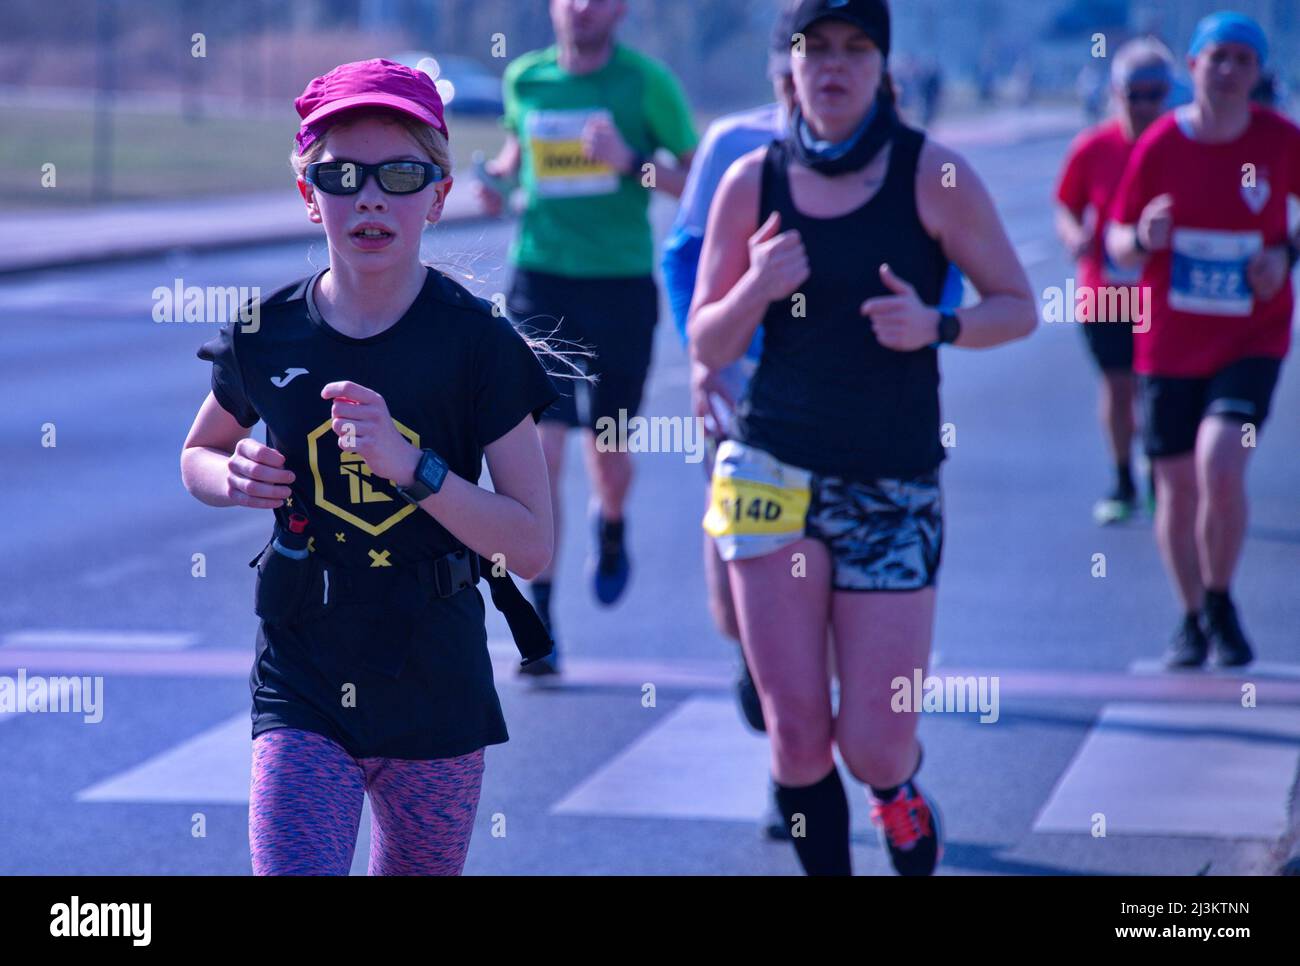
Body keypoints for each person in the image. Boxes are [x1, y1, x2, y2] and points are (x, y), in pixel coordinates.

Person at [181, 58, 560, 874]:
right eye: (342, 176)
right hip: (303, 671)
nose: (371, 197)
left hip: (436, 684)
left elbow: (531, 546)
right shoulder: (266, 331)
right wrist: (233, 477)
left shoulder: (478, 343)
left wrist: (413, 468)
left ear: (440, 193)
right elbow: (198, 454)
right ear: (308, 193)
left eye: (400, 173)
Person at [689, 0, 1036, 876]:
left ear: (884, 67)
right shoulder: (750, 181)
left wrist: (938, 326)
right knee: (797, 735)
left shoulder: (933, 175)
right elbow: (706, 342)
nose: (834, 68)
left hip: (891, 482)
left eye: (856, 49)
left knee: (874, 745)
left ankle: (898, 792)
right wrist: (758, 288)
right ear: (789, 70)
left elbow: (1018, 306)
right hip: (772, 470)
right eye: (817, 50)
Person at [476, 0, 698, 676]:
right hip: (540, 280)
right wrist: (498, 179)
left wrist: (633, 161)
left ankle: (611, 524)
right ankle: (542, 617)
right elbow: (519, 152)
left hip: (619, 287)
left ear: (621, 9)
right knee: (539, 453)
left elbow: (693, 181)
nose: (582, 8)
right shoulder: (527, 78)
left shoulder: (646, 83)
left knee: (606, 450)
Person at [1106, 12, 1299, 670]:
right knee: (1177, 486)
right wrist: (1144, 238)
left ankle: (1220, 596)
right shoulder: (1161, 145)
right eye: (1217, 58)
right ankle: (1193, 614)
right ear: (1192, 67)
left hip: (1254, 336)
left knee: (1221, 461)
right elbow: (1118, 241)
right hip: (1167, 343)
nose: (1229, 71)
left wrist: (1286, 252)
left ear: (1257, 74)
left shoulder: (1279, 140)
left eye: (1244, 61)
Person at [1054, 38, 1173, 525]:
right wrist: (1073, 236)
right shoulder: (1092, 147)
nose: (1143, 104)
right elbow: (1065, 204)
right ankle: (1123, 478)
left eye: (1154, 92)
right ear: (1116, 92)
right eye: (1134, 92)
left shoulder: (1176, 145)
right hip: (1105, 292)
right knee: (1119, 386)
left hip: (1165, 295)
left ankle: (1160, 477)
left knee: (1157, 390)